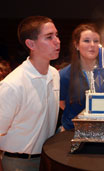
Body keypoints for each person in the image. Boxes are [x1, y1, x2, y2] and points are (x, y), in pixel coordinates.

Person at [0, 16, 60, 171]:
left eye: (56, 35)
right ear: (31, 44)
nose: (57, 41)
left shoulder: (54, 74)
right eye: (49, 37)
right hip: (19, 162)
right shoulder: (13, 85)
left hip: (47, 157)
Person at [59, 24, 100, 131]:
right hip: (73, 131)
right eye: (86, 41)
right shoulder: (64, 75)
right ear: (76, 45)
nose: (92, 45)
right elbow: (61, 103)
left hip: (102, 131)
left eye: (96, 41)